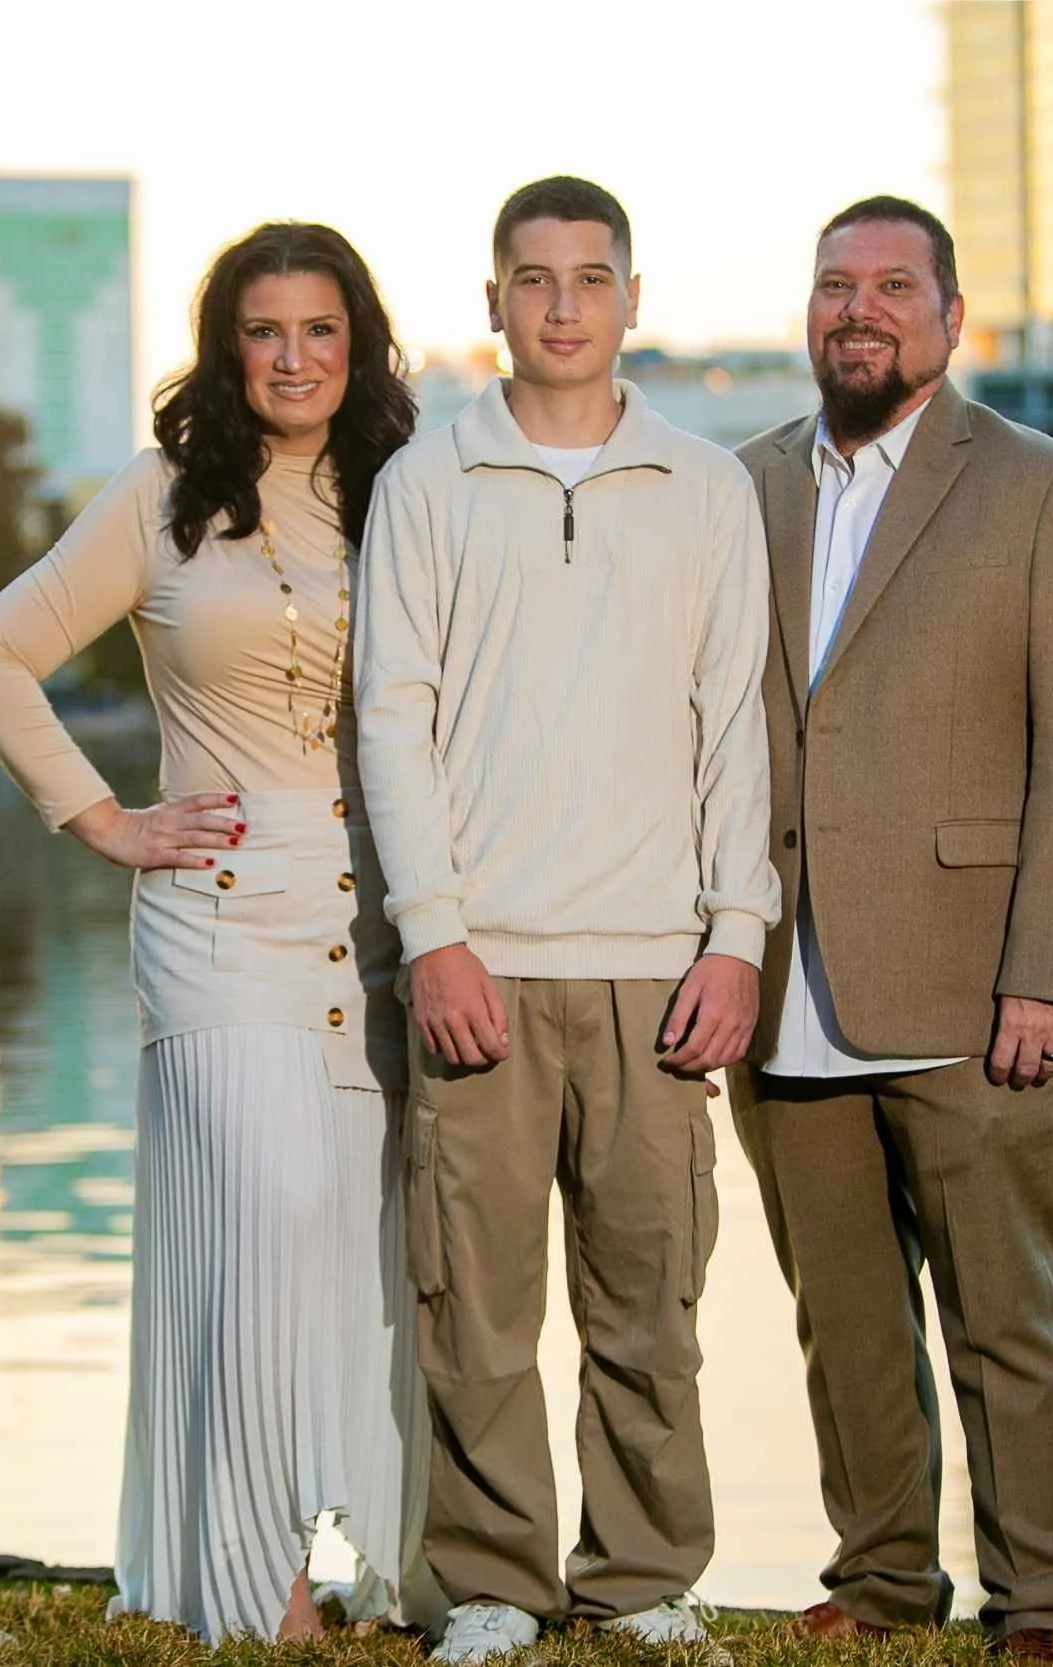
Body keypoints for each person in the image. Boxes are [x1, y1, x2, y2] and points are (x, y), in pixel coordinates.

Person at [0, 222, 435, 1644]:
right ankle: (254, 1583)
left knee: (363, 1246)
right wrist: (101, 819)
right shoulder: (159, 498)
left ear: (361, 345)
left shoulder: (407, 492)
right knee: (262, 1225)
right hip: (215, 918)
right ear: (228, 347)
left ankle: (382, 1561)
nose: (292, 357)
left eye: (320, 330)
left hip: (378, 924)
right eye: (263, 330)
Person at [353, 175, 779, 1664]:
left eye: (590, 278)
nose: (561, 305)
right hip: (483, 958)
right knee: (473, 1302)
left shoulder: (706, 489)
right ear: (493, 304)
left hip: (657, 962)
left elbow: (735, 728)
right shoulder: (426, 485)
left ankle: (645, 1572)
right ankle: (492, 1583)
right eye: (532, 279)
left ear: (632, 299)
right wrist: (435, 929)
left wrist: (738, 935)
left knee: (650, 1297)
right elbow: (391, 721)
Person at [727, 196, 1053, 1665]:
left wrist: (1049, 975)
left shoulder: (1038, 486)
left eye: (894, 286)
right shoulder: (745, 485)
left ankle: (1042, 1599)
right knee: (841, 1318)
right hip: (781, 979)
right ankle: (888, 1574)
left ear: (950, 319)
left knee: (1002, 1312)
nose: (860, 309)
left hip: (974, 982)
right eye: (836, 283)